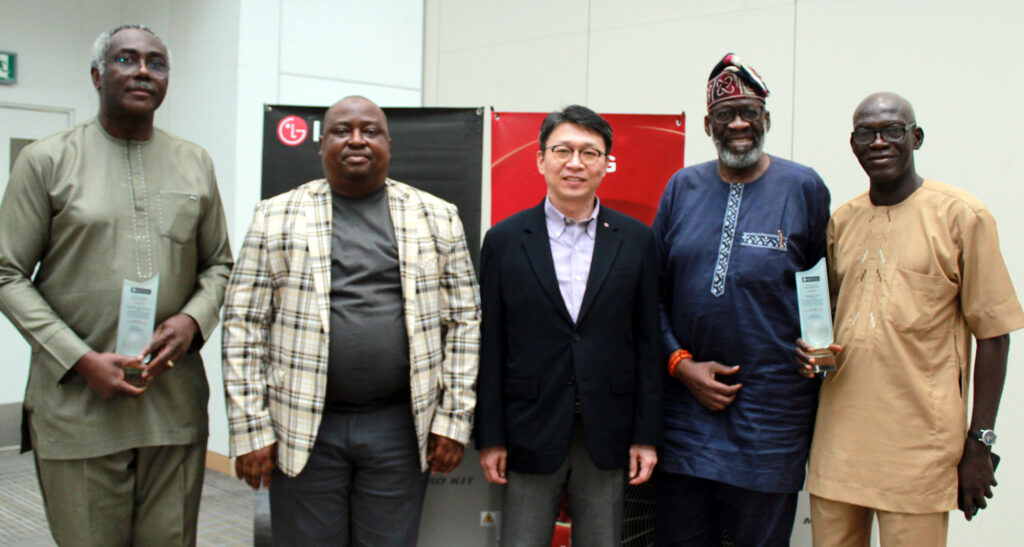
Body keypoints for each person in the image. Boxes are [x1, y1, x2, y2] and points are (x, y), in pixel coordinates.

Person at [0, 24, 233, 546]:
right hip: (79, 409)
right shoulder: (46, 161)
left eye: (157, 62)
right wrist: (79, 358)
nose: (144, 71)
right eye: (126, 59)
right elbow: (6, 273)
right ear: (97, 74)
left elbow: (220, 264)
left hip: (171, 405)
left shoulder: (194, 162)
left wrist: (192, 319)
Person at [222, 96, 480, 546]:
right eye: (342, 130)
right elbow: (243, 325)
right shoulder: (275, 216)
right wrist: (251, 428)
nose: (356, 140)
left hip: (400, 427)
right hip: (302, 426)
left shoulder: (438, 217)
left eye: (370, 130)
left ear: (388, 144)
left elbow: (464, 322)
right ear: (321, 144)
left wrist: (453, 421)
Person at [798, 92, 1024, 546]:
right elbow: (831, 319)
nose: (879, 142)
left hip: (921, 448)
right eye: (866, 133)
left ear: (916, 138)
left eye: (893, 131)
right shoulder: (842, 221)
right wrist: (809, 353)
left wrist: (980, 444)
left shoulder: (962, 216)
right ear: (853, 144)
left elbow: (994, 336)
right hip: (838, 443)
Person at [652, 53, 831, 546]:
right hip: (686, 419)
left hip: (771, 421)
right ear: (708, 124)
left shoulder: (804, 187)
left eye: (748, 112)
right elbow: (650, 296)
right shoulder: (681, 189)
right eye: (724, 115)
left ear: (766, 119)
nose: (738, 124)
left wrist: (821, 347)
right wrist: (679, 364)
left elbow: (824, 290)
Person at [475, 104, 662, 546]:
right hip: (528, 429)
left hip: (609, 429)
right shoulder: (503, 241)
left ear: (605, 163)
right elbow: (492, 343)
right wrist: (491, 435)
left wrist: (646, 435)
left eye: (589, 153)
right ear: (541, 159)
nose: (575, 163)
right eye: (563, 150)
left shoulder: (637, 240)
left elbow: (648, 342)